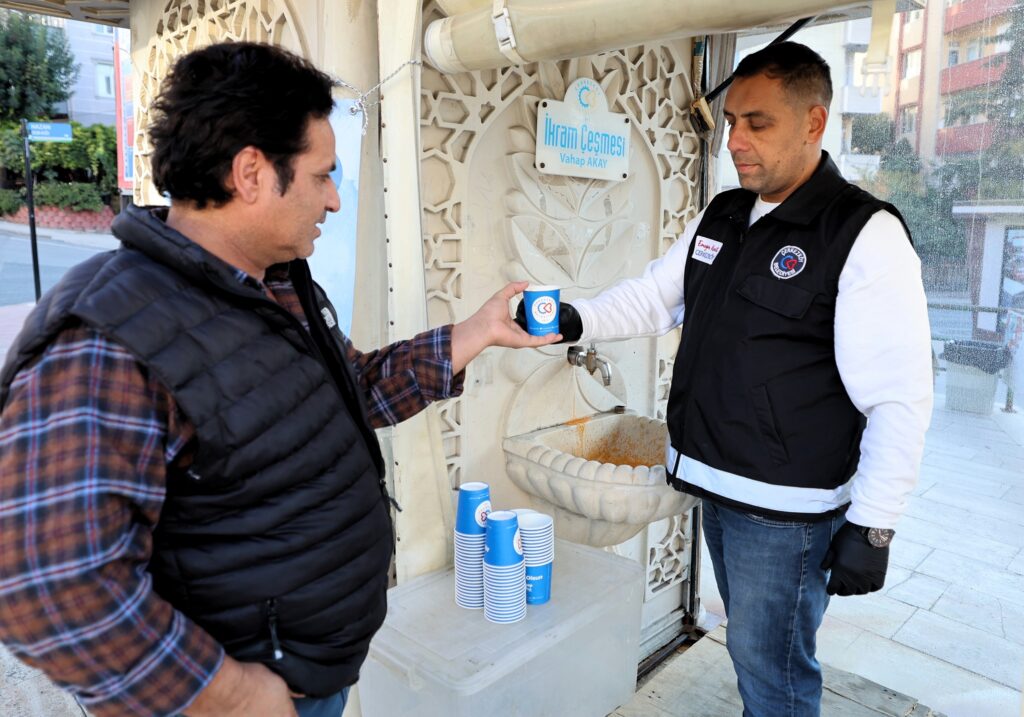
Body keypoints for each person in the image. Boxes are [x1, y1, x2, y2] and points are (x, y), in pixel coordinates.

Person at [0, 42, 559, 717]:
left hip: (306, 675)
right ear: (251, 174)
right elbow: (51, 586)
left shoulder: (275, 283)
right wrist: (233, 695)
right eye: (322, 176)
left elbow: (351, 390)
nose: (333, 199)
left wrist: (477, 332)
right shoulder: (110, 335)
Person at [527, 42, 933, 716]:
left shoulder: (862, 234)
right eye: (732, 121)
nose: (735, 140)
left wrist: (874, 525)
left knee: (773, 674)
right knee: (751, 653)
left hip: (785, 514)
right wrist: (577, 319)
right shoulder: (724, 213)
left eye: (758, 123)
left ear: (814, 122)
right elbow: (656, 296)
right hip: (715, 484)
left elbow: (900, 396)